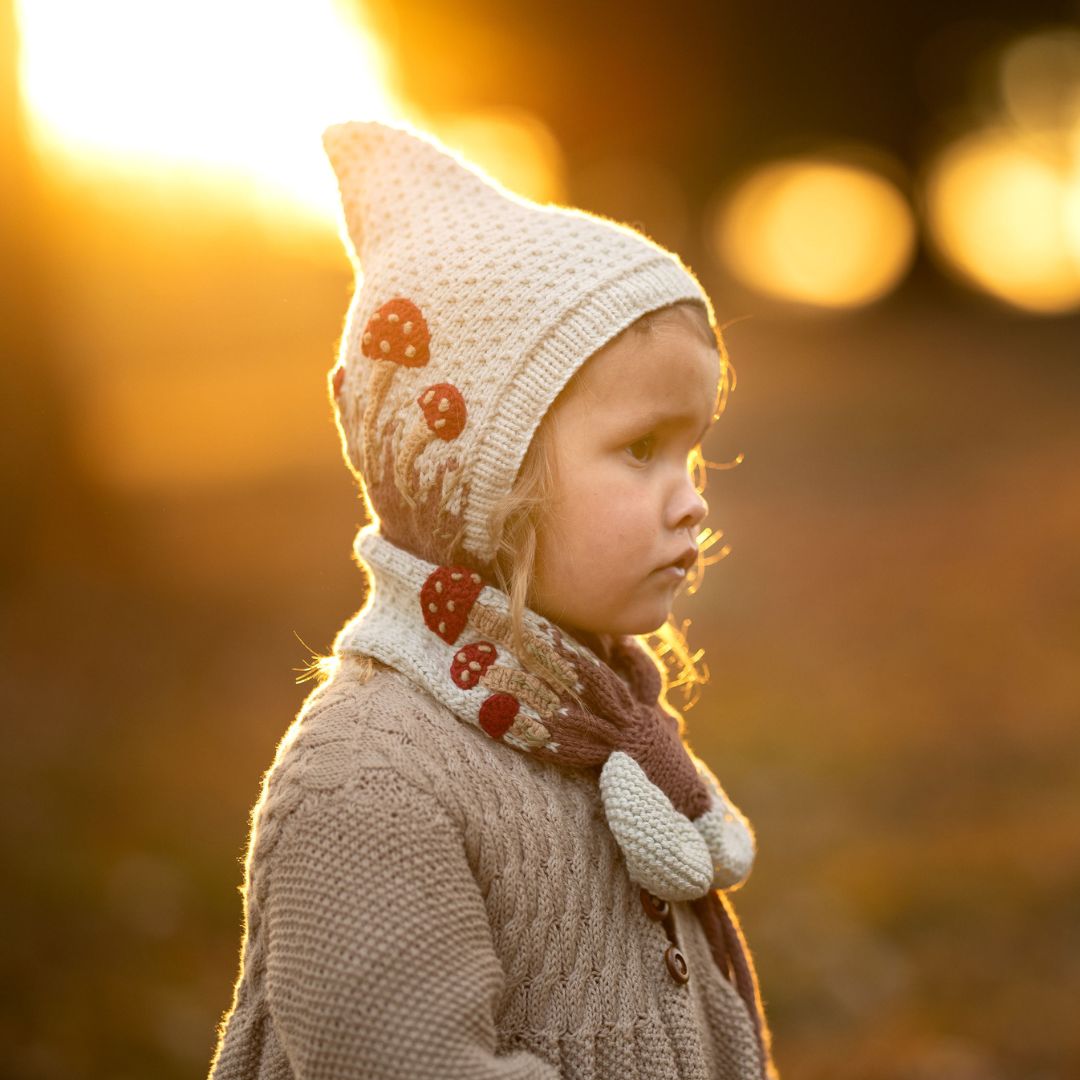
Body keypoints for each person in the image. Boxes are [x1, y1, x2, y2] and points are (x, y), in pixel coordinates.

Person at [207, 118, 779, 1080]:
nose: (692, 498)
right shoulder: (368, 781)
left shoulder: (590, 717)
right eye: (641, 449)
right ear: (485, 482)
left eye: (694, 449)